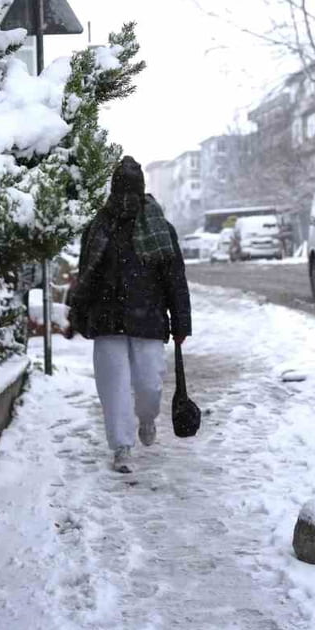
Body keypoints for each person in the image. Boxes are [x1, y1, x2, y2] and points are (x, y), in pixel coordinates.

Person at [65, 156, 191, 473]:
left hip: (148, 318)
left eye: (131, 192)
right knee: (113, 387)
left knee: (150, 385)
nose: (126, 200)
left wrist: (181, 321)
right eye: (121, 192)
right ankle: (121, 446)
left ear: (141, 191)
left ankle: (147, 418)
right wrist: (78, 311)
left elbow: (175, 278)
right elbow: (87, 275)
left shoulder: (160, 228)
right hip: (106, 319)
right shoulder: (98, 228)